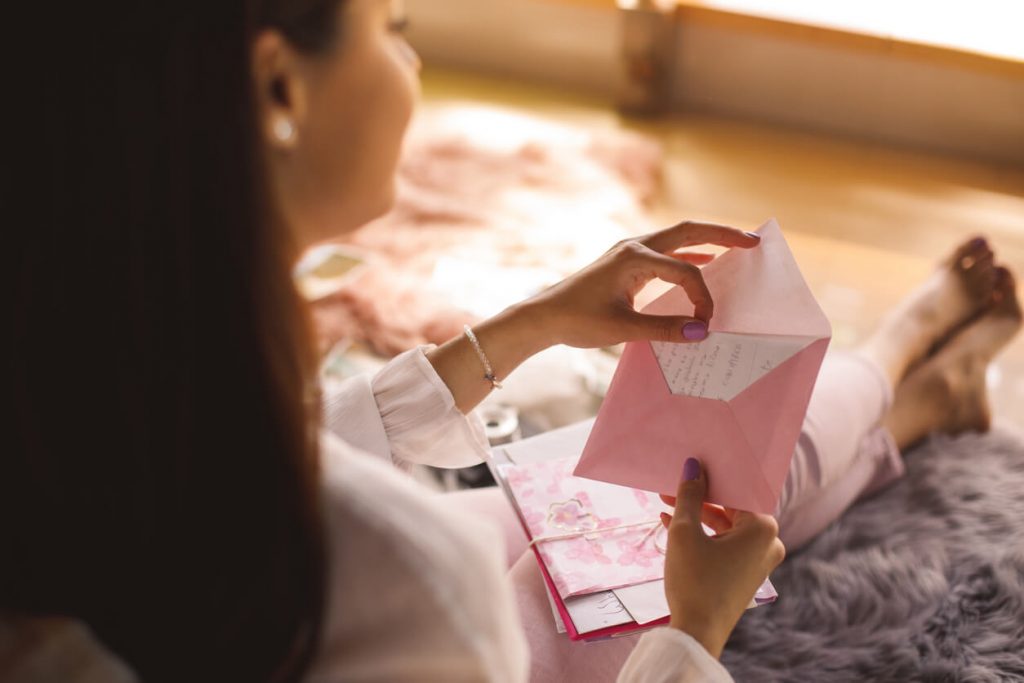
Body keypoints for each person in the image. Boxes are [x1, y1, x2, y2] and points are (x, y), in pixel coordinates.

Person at [3, 0, 1019, 682]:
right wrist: (689, 633)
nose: (411, 60)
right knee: (731, 487)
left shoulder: (94, 393)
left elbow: (273, 462)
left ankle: (918, 398)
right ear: (279, 91)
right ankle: (899, 357)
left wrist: (534, 322)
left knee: (671, 479)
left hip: (449, 569)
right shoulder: (408, 583)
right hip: (509, 639)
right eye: (393, 25)